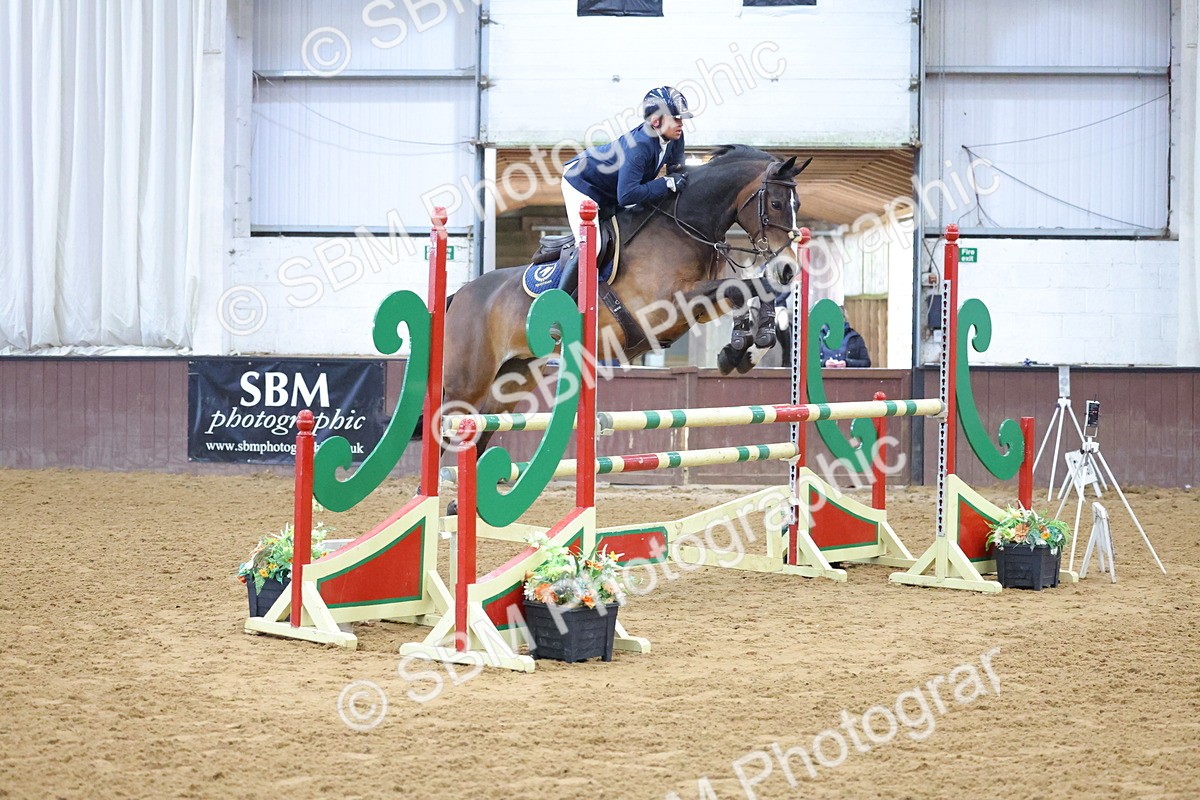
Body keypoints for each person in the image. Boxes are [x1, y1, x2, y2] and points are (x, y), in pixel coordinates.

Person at [554, 86, 692, 293]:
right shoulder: (640, 146)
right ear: (656, 121)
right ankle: (560, 303)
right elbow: (627, 195)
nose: (681, 124)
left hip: (610, 190)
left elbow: (677, 173)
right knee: (593, 247)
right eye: (676, 119)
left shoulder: (675, 137)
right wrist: (665, 183)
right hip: (583, 184)